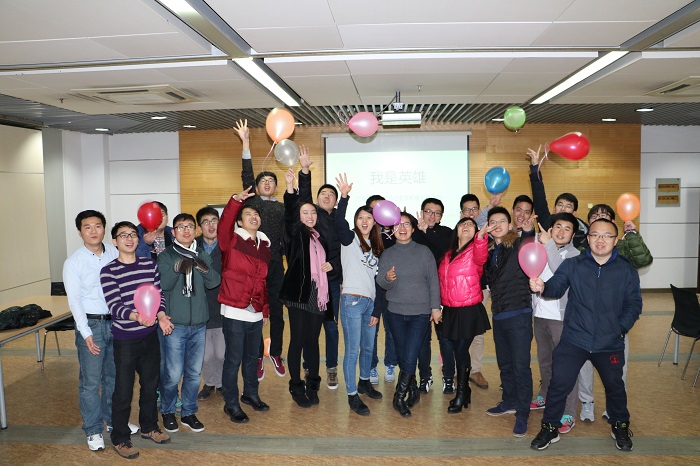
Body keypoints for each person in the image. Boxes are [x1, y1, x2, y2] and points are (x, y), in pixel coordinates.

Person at [529, 218, 642, 452]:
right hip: (575, 339)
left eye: (607, 235)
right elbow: (556, 287)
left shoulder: (625, 269)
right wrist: (543, 287)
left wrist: (619, 328)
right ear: (588, 238)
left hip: (609, 342)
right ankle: (549, 428)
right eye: (595, 235)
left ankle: (620, 426)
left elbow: (634, 304)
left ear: (615, 240)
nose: (600, 240)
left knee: (615, 387)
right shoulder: (573, 264)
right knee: (559, 384)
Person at [100, 221, 173, 459]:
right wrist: (136, 316)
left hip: (150, 337)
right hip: (126, 339)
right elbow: (114, 305)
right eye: (123, 235)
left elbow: (158, 296)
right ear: (115, 241)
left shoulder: (149, 264)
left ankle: (149, 427)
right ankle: (120, 438)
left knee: (151, 386)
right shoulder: (109, 271)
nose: (129, 239)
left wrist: (161, 317)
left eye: (133, 234)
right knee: (123, 391)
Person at [577, 204, 652, 423]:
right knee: (584, 367)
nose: (599, 219)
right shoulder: (582, 249)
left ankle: (614, 406)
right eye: (595, 217)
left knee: (618, 369)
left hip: (614, 324)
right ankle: (587, 402)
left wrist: (633, 235)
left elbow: (643, 260)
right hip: (586, 324)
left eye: (605, 216)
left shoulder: (623, 247)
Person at [157, 213, 221, 433]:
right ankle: (167, 410)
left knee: (193, 373)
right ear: (173, 232)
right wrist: (177, 268)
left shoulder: (201, 253)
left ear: (195, 230)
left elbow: (214, 282)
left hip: (199, 324)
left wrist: (203, 267)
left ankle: (188, 412)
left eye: (190, 227)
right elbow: (164, 284)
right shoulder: (166, 255)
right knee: (173, 373)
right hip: (175, 325)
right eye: (181, 227)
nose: (186, 230)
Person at [63, 210, 120, 451]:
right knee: (91, 381)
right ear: (80, 232)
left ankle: (113, 422)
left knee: (113, 377)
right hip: (92, 325)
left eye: (98, 226)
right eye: (87, 227)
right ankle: (93, 429)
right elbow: (75, 301)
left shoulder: (115, 252)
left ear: (104, 228)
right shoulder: (73, 262)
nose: (93, 231)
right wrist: (85, 333)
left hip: (116, 323)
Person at [235, 119, 287, 380]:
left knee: (277, 313)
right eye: (263, 180)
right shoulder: (254, 204)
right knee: (254, 311)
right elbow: (247, 175)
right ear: (256, 187)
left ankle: (275, 353)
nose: (267, 183)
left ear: (276, 186)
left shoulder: (282, 207)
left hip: (276, 265)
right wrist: (245, 143)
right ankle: (257, 356)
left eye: (271, 180)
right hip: (254, 266)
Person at [376, 213, 441, 417]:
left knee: (411, 355)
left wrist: (435, 307)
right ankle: (413, 391)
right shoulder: (388, 254)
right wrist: (387, 278)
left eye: (406, 224)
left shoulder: (424, 252)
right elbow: (381, 283)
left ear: (413, 229)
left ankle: (398, 397)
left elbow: (433, 281)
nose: (402, 228)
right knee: (404, 355)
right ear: (392, 229)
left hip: (420, 313)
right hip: (395, 313)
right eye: (398, 225)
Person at [217, 188, 272, 423]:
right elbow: (224, 226)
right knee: (233, 359)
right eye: (248, 214)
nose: (253, 217)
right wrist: (235, 202)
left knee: (252, 357)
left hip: (255, 312)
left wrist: (265, 309)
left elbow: (263, 281)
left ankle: (250, 394)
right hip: (234, 309)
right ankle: (231, 403)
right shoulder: (232, 241)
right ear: (239, 221)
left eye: (256, 214)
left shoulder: (265, 245)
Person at [280, 168, 332, 408]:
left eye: (313, 212)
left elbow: (331, 262)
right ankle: (296, 385)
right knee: (298, 341)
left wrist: (331, 265)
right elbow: (291, 212)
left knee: (313, 341)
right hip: (298, 293)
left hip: (318, 294)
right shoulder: (294, 233)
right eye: (305, 212)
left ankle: (313, 384)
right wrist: (294, 183)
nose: (310, 216)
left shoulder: (320, 237)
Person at [483, 206, 535, 438]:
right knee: (505, 363)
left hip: (519, 313)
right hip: (499, 314)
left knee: (520, 366)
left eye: (501, 221)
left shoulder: (517, 244)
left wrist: (529, 230)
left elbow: (529, 241)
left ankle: (522, 413)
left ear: (510, 224)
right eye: (492, 222)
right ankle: (509, 401)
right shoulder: (488, 250)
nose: (497, 225)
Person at [334, 174, 384, 415]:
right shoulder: (350, 238)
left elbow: (379, 281)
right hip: (352, 301)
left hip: (370, 303)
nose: (364, 221)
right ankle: (352, 394)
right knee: (352, 350)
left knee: (368, 347)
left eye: (369, 218)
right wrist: (344, 197)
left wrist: (377, 309)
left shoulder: (377, 246)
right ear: (356, 221)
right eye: (360, 217)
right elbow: (338, 222)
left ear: (375, 222)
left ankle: (364, 382)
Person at [529, 212, 581, 435]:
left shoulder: (575, 255)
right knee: (545, 361)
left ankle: (569, 410)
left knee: (566, 367)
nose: (561, 231)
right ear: (551, 228)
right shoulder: (540, 248)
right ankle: (545, 395)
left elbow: (561, 271)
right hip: (540, 315)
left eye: (567, 228)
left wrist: (548, 244)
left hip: (561, 319)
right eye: (558, 226)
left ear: (573, 235)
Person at [438, 217, 493, 414]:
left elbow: (481, 255)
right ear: (457, 229)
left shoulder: (475, 251)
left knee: (461, 350)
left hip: (469, 310)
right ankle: (465, 391)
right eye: (463, 224)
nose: (467, 226)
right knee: (457, 351)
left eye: (471, 225)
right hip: (450, 309)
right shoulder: (448, 254)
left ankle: (461, 393)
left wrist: (481, 238)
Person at [298, 149, 342, 390]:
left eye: (331, 194)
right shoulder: (311, 218)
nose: (327, 196)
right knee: (309, 327)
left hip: (331, 281)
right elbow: (303, 197)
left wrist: (334, 264)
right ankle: (309, 366)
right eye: (323, 193)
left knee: (331, 326)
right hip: (311, 282)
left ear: (336, 202)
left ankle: (332, 368)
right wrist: (305, 171)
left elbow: (342, 250)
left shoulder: (340, 221)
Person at [414, 198, 454, 395]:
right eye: (428, 211)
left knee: (445, 338)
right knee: (422, 339)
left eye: (436, 213)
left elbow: (438, 253)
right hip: (419, 294)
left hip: (442, 293)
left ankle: (449, 377)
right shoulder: (412, 232)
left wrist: (425, 233)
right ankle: (425, 376)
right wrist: (419, 232)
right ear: (422, 212)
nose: (432, 216)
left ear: (441, 217)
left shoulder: (447, 233)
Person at [459, 194, 491, 390]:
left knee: (478, 331)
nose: (470, 213)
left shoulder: (485, 233)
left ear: (479, 211)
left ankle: (475, 369)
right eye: (467, 210)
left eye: (474, 209)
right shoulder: (456, 234)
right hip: (459, 290)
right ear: (461, 213)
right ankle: (456, 369)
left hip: (481, 289)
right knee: (458, 330)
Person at [527, 147, 588, 248]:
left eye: (568, 206)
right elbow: (539, 197)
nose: (563, 209)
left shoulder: (583, 232)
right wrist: (535, 167)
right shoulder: (546, 221)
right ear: (554, 209)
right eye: (560, 205)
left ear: (574, 213)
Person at [367, 195, 398, 385]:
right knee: (371, 328)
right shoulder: (365, 235)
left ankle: (390, 364)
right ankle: (371, 366)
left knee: (392, 329)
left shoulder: (396, 232)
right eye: (372, 210)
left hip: (392, 288)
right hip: (371, 288)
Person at [195, 207, 224, 400]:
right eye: (206, 222)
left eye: (214, 220)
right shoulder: (192, 246)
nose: (210, 225)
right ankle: (210, 382)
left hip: (222, 305)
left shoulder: (227, 245)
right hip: (200, 306)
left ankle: (221, 383)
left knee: (221, 353)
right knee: (205, 355)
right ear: (199, 227)